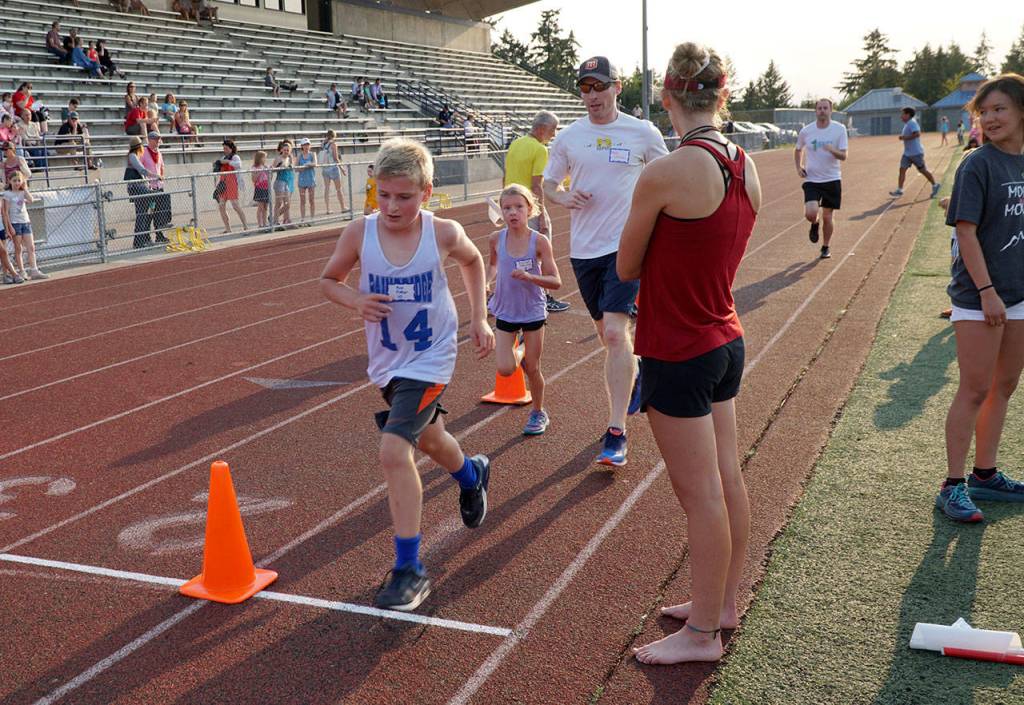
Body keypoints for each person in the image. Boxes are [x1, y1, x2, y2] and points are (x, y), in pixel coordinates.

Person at [617, 41, 761, 666]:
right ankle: (722, 604)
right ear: (721, 97)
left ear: (667, 96)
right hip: (725, 337)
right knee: (726, 478)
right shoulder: (743, 162)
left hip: (678, 346)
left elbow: (625, 265)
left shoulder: (667, 171)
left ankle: (702, 634)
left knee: (699, 493)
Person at [318, 137, 495, 611]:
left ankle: (409, 569)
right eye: (384, 194)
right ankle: (471, 473)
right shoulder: (360, 233)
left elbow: (475, 261)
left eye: (404, 196)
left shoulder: (442, 232)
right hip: (387, 362)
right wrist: (355, 299)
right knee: (432, 438)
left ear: (427, 192)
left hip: (432, 357)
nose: (392, 206)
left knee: (395, 449)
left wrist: (478, 317)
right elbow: (328, 280)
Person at [542, 55, 669, 466]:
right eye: (585, 88)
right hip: (584, 251)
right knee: (608, 336)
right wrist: (561, 196)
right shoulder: (569, 137)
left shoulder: (641, 132)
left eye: (599, 86)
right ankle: (634, 374)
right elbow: (547, 182)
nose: (592, 96)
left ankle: (616, 432)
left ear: (616, 86)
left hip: (625, 246)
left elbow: (666, 174)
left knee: (615, 333)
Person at [936, 73, 1024, 523]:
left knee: (1004, 387)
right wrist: (987, 293)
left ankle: (985, 476)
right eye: (983, 111)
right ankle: (952, 486)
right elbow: (965, 233)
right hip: (979, 296)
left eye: (999, 109)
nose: (989, 118)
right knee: (974, 388)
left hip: (1020, 295)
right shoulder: (977, 164)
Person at [486, 184, 562, 434]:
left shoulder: (539, 242)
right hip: (506, 308)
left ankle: (538, 412)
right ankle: (519, 349)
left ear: (530, 209)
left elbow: (556, 281)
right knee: (505, 368)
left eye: (518, 206)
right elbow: (494, 266)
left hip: (532, 309)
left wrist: (531, 277)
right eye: (507, 208)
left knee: (533, 367)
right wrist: (487, 282)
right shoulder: (495, 239)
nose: (512, 212)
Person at [503, 109, 568, 313]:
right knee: (540, 249)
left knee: (514, 251)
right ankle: (544, 296)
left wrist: (503, 205)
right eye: (553, 130)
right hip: (528, 207)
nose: (554, 135)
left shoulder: (516, 143)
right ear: (541, 129)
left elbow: (505, 176)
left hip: (511, 205)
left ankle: (509, 294)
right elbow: (536, 186)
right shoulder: (540, 150)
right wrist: (541, 215)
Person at [794, 98, 848, 260]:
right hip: (812, 179)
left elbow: (844, 156)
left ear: (831, 110)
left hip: (832, 179)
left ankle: (825, 247)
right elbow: (798, 150)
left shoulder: (839, 129)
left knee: (827, 216)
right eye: (819, 108)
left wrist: (832, 150)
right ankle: (814, 224)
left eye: (825, 108)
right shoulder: (807, 131)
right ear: (816, 111)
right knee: (811, 213)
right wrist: (799, 167)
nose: (822, 111)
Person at [3, 171, 47, 280]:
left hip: (25, 222)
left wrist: (25, 187)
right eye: (14, 181)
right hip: (15, 223)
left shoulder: (22, 192)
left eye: (19, 180)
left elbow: (31, 200)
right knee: (18, 249)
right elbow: (6, 212)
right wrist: (10, 227)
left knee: (31, 247)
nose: (17, 183)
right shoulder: (8, 194)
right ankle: (22, 271)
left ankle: (34, 270)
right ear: (10, 181)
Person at [889, 107, 941, 199]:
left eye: (903, 114)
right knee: (902, 169)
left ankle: (935, 184)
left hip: (916, 153)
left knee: (923, 170)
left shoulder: (912, 123)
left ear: (908, 115)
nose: (901, 116)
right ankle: (899, 190)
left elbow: (917, 134)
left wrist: (904, 138)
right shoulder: (908, 124)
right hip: (907, 153)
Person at [124, 135, 160, 248]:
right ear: (138, 147)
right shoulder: (133, 156)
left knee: (144, 214)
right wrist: (155, 176)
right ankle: (140, 240)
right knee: (142, 213)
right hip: (137, 187)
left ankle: (142, 239)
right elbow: (142, 170)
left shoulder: (134, 156)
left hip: (139, 186)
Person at [139, 131, 170, 244]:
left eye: (158, 139)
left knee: (159, 212)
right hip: (150, 188)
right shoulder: (144, 152)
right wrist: (146, 182)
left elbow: (161, 167)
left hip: (158, 187)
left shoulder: (159, 152)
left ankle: (159, 235)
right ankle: (146, 237)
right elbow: (140, 169)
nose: (158, 141)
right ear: (150, 139)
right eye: (156, 139)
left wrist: (162, 178)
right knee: (149, 213)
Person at [214, 139, 247, 233]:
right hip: (223, 182)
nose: (225, 150)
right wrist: (217, 165)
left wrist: (227, 162)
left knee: (235, 205)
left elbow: (239, 165)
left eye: (226, 148)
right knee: (221, 206)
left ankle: (245, 226)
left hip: (232, 182)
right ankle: (228, 228)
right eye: (223, 148)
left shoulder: (235, 157)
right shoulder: (223, 157)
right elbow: (218, 169)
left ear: (231, 148)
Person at [320, 129, 346, 214]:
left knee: (327, 188)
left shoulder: (323, 144)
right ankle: (343, 207)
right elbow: (336, 158)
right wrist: (342, 168)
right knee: (338, 189)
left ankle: (328, 209)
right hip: (333, 168)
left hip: (325, 168)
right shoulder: (333, 144)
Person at [272, 139, 294, 227]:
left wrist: (291, 166)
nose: (286, 152)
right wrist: (280, 167)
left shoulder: (289, 158)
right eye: (285, 150)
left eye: (288, 150)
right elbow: (273, 169)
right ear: (281, 150)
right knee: (279, 202)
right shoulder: (278, 158)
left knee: (287, 204)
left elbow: (292, 168)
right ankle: (275, 222)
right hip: (279, 181)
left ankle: (273, 218)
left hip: (286, 182)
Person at [296, 137, 317, 221]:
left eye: (307, 144)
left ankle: (312, 218)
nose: (306, 146)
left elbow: (315, 163)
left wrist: (309, 164)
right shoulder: (299, 155)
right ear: (302, 146)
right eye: (304, 145)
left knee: (311, 200)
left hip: (311, 179)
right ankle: (303, 218)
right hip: (302, 180)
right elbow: (296, 168)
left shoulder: (312, 154)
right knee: (302, 200)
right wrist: (303, 167)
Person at [251, 150, 271, 229]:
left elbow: (269, 178)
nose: (265, 160)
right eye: (264, 158)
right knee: (261, 207)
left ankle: (265, 223)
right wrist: (260, 171)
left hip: (266, 188)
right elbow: (254, 179)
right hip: (259, 188)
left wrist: (268, 171)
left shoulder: (265, 166)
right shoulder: (254, 167)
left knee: (266, 207)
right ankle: (260, 224)